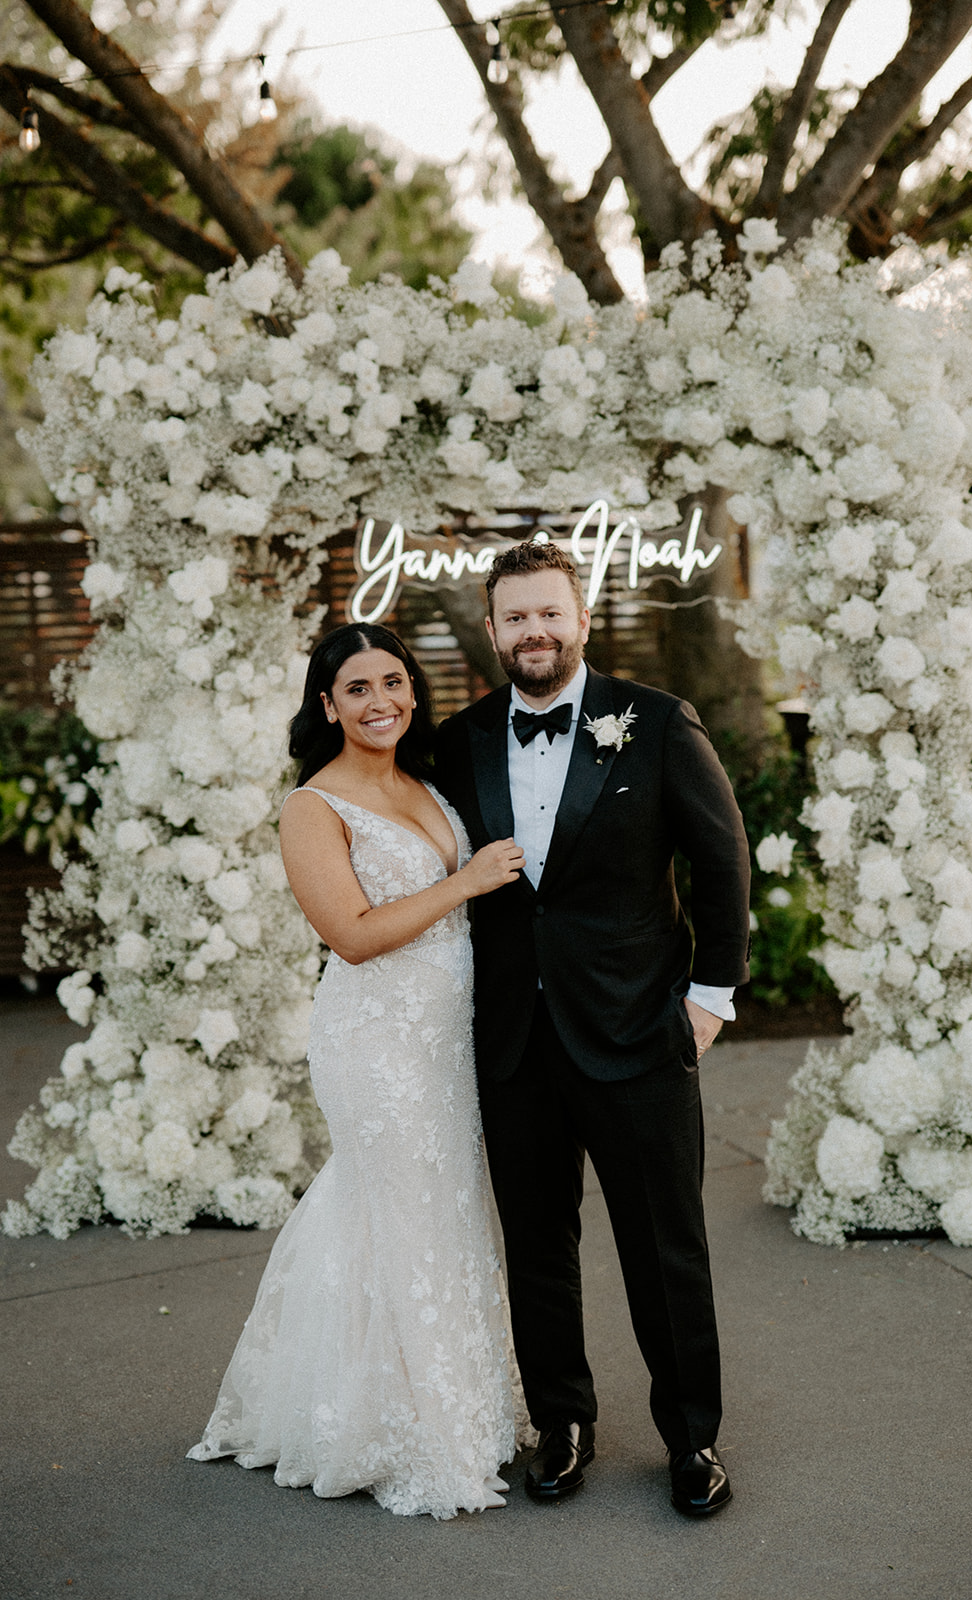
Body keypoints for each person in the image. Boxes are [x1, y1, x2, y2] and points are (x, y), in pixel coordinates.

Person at [432, 540, 751, 1517]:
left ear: (580, 617)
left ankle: (690, 1437)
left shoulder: (654, 723)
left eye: (548, 613)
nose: (533, 631)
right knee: (534, 1244)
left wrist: (708, 1000)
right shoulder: (461, 737)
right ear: (491, 631)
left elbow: (720, 859)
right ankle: (561, 1422)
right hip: (515, 1043)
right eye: (514, 617)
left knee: (665, 1246)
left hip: (637, 1035)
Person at [188, 622, 529, 1519]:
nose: (381, 701)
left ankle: (451, 1407)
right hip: (374, 1040)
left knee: (445, 1205)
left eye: (394, 682)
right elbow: (351, 934)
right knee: (396, 1207)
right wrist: (466, 881)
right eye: (357, 689)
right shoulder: (314, 805)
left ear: (412, 690)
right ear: (327, 706)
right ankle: (393, 1430)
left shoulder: (424, 781)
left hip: (446, 1034)